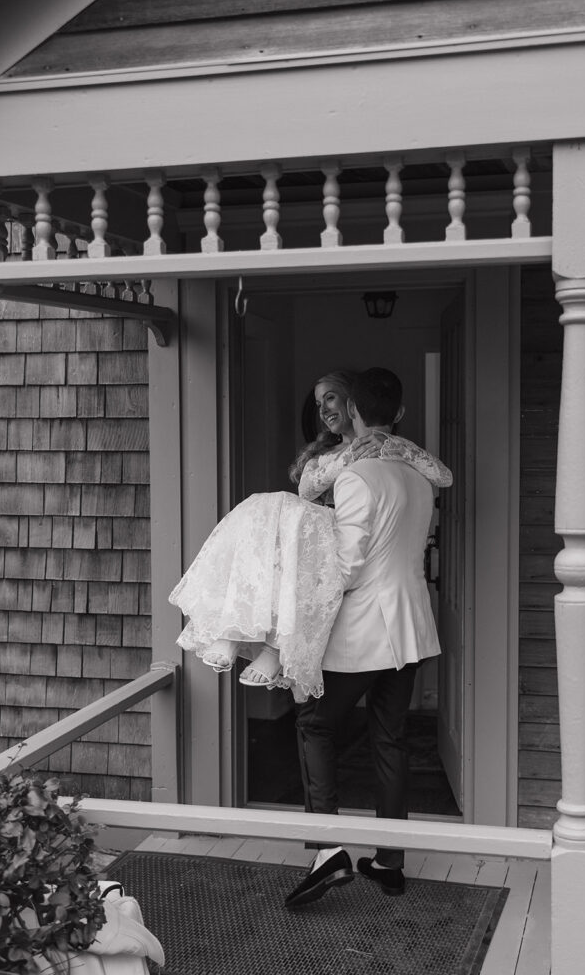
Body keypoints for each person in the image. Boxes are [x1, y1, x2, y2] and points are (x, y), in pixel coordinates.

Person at [169, 369, 451, 702]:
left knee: (323, 720)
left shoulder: (395, 455)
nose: (323, 410)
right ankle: (233, 628)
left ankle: (273, 649)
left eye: (330, 398)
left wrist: (393, 443)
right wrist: (355, 451)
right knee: (262, 507)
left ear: (353, 405)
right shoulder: (325, 458)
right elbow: (306, 490)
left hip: (352, 559)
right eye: (318, 403)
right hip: (321, 544)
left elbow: (443, 476)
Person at [285, 368, 442, 908]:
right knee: (389, 738)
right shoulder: (418, 477)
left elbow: (347, 566)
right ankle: (390, 862)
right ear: (396, 415)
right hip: (412, 628)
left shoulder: (355, 477)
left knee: (313, 724)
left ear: (354, 412)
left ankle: (328, 851)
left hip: (363, 633)